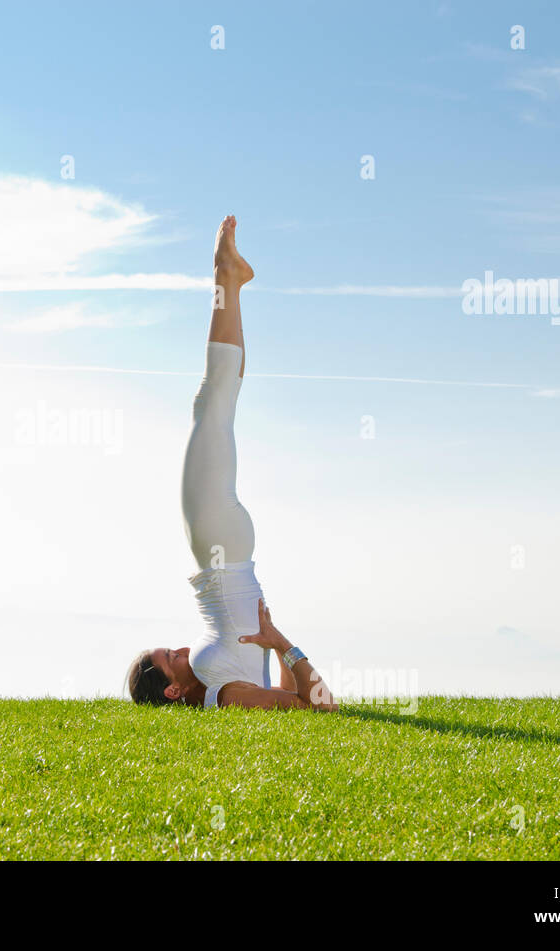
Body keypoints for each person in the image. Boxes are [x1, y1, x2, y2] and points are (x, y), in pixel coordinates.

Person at [127, 216, 336, 711]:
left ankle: (231, 282)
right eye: (169, 658)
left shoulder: (225, 687)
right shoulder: (223, 696)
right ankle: (225, 277)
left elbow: (288, 697)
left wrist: (277, 643)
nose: (179, 649)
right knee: (212, 404)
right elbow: (320, 709)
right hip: (220, 546)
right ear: (174, 690)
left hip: (229, 552)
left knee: (217, 405)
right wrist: (281, 642)